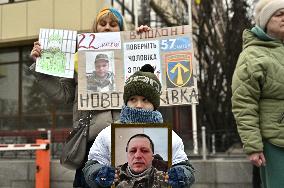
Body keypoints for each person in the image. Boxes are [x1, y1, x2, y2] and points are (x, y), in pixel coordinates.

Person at [29, 7, 151, 188]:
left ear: (121, 30)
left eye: (113, 24)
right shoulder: (79, 59)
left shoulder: (134, 56)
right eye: (102, 24)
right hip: (91, 145)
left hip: (128, 141)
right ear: (95, 29)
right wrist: (40, 67)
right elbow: (64, 93)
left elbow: (153, 88)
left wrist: (148, 42)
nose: (107, 27)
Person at [83, 64, 195, 188]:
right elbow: (91, 165)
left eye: (145, 100)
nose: (139, 105)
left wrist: (182, 175)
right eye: (133, 99)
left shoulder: (171, 137)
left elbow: (185, 167)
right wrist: (98, 174)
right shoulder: (107, 134)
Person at [231, 0, 284, 187]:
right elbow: (244, 103)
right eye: (279, 14)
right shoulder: (252, 56)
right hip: (275, 144)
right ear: (265, 21)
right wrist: (253, 147)